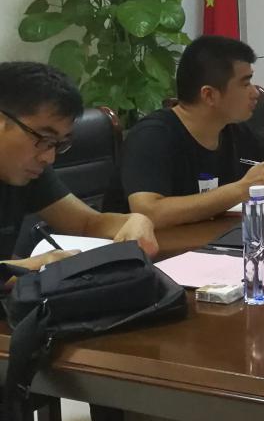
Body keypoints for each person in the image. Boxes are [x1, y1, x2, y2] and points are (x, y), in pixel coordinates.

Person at [121, 37, 264, 227]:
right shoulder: (152, 136)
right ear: (209, 95)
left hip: (214, 243)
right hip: (157, 256)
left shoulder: (234, 129)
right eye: (245, 84)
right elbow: (149, 211)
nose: (255, 92)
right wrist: (242, 189)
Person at [0, 62, 158, 270]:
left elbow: (86, 223)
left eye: (58, 144)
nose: (49, 158)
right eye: (44, 139)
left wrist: (136, 220)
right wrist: (32, 265)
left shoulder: (28, 170)